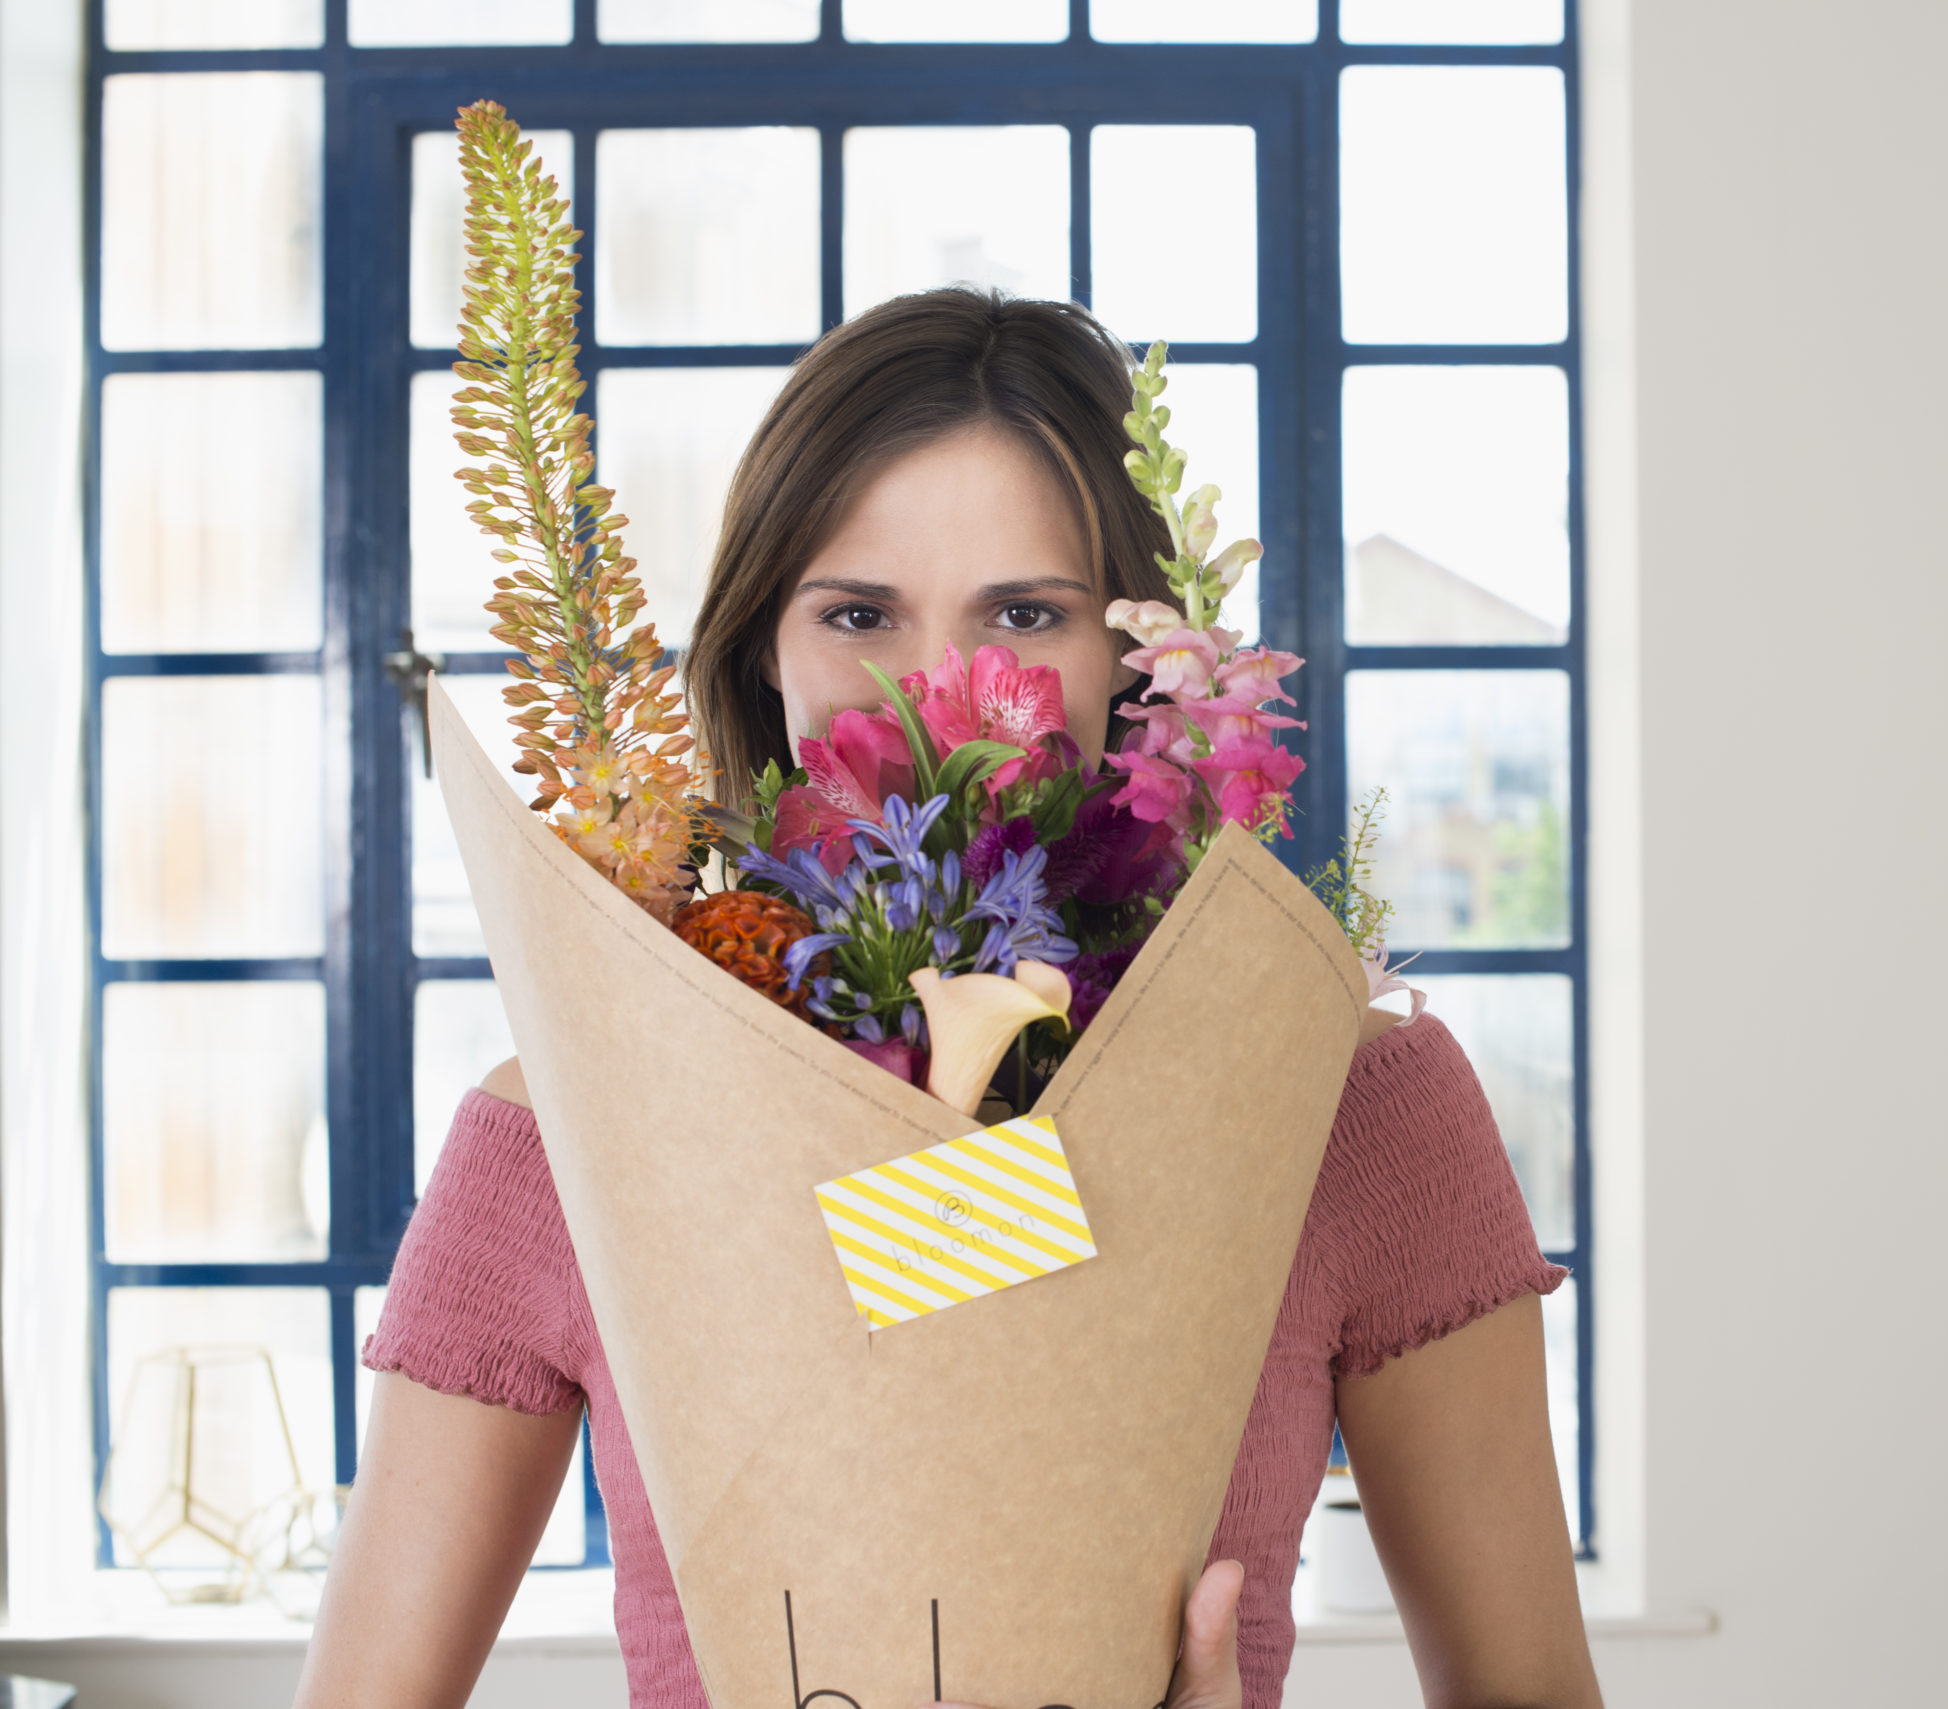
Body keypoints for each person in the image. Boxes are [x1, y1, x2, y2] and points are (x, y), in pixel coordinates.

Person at [293, 289, 1600, 1709]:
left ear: (1140, 660)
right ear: (758, 655)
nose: (933, 692)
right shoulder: (572, 1129)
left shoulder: (1347, 1104)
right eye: (857, 612)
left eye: (1026, 614)